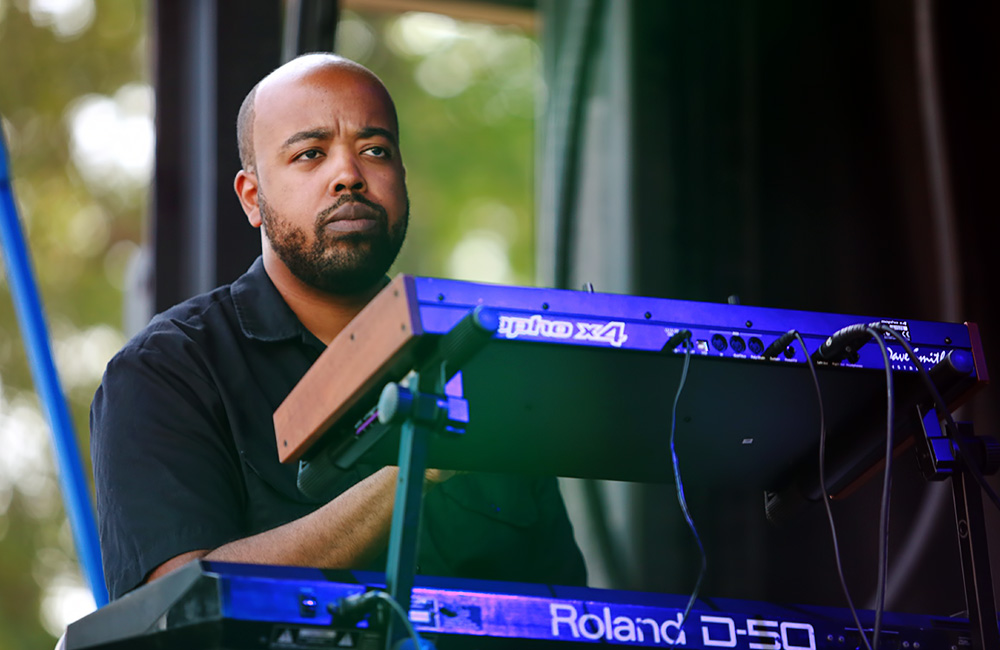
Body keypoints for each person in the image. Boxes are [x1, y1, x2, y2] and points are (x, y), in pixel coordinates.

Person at [90, 53, 586, 600]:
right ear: (253, 199)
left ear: (401, 177)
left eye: (375, 151)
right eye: (310, 154)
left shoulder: (481, 363)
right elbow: (180, 602)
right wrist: (414, 468)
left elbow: (567, 612)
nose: (349, 174)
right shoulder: (167, 372)